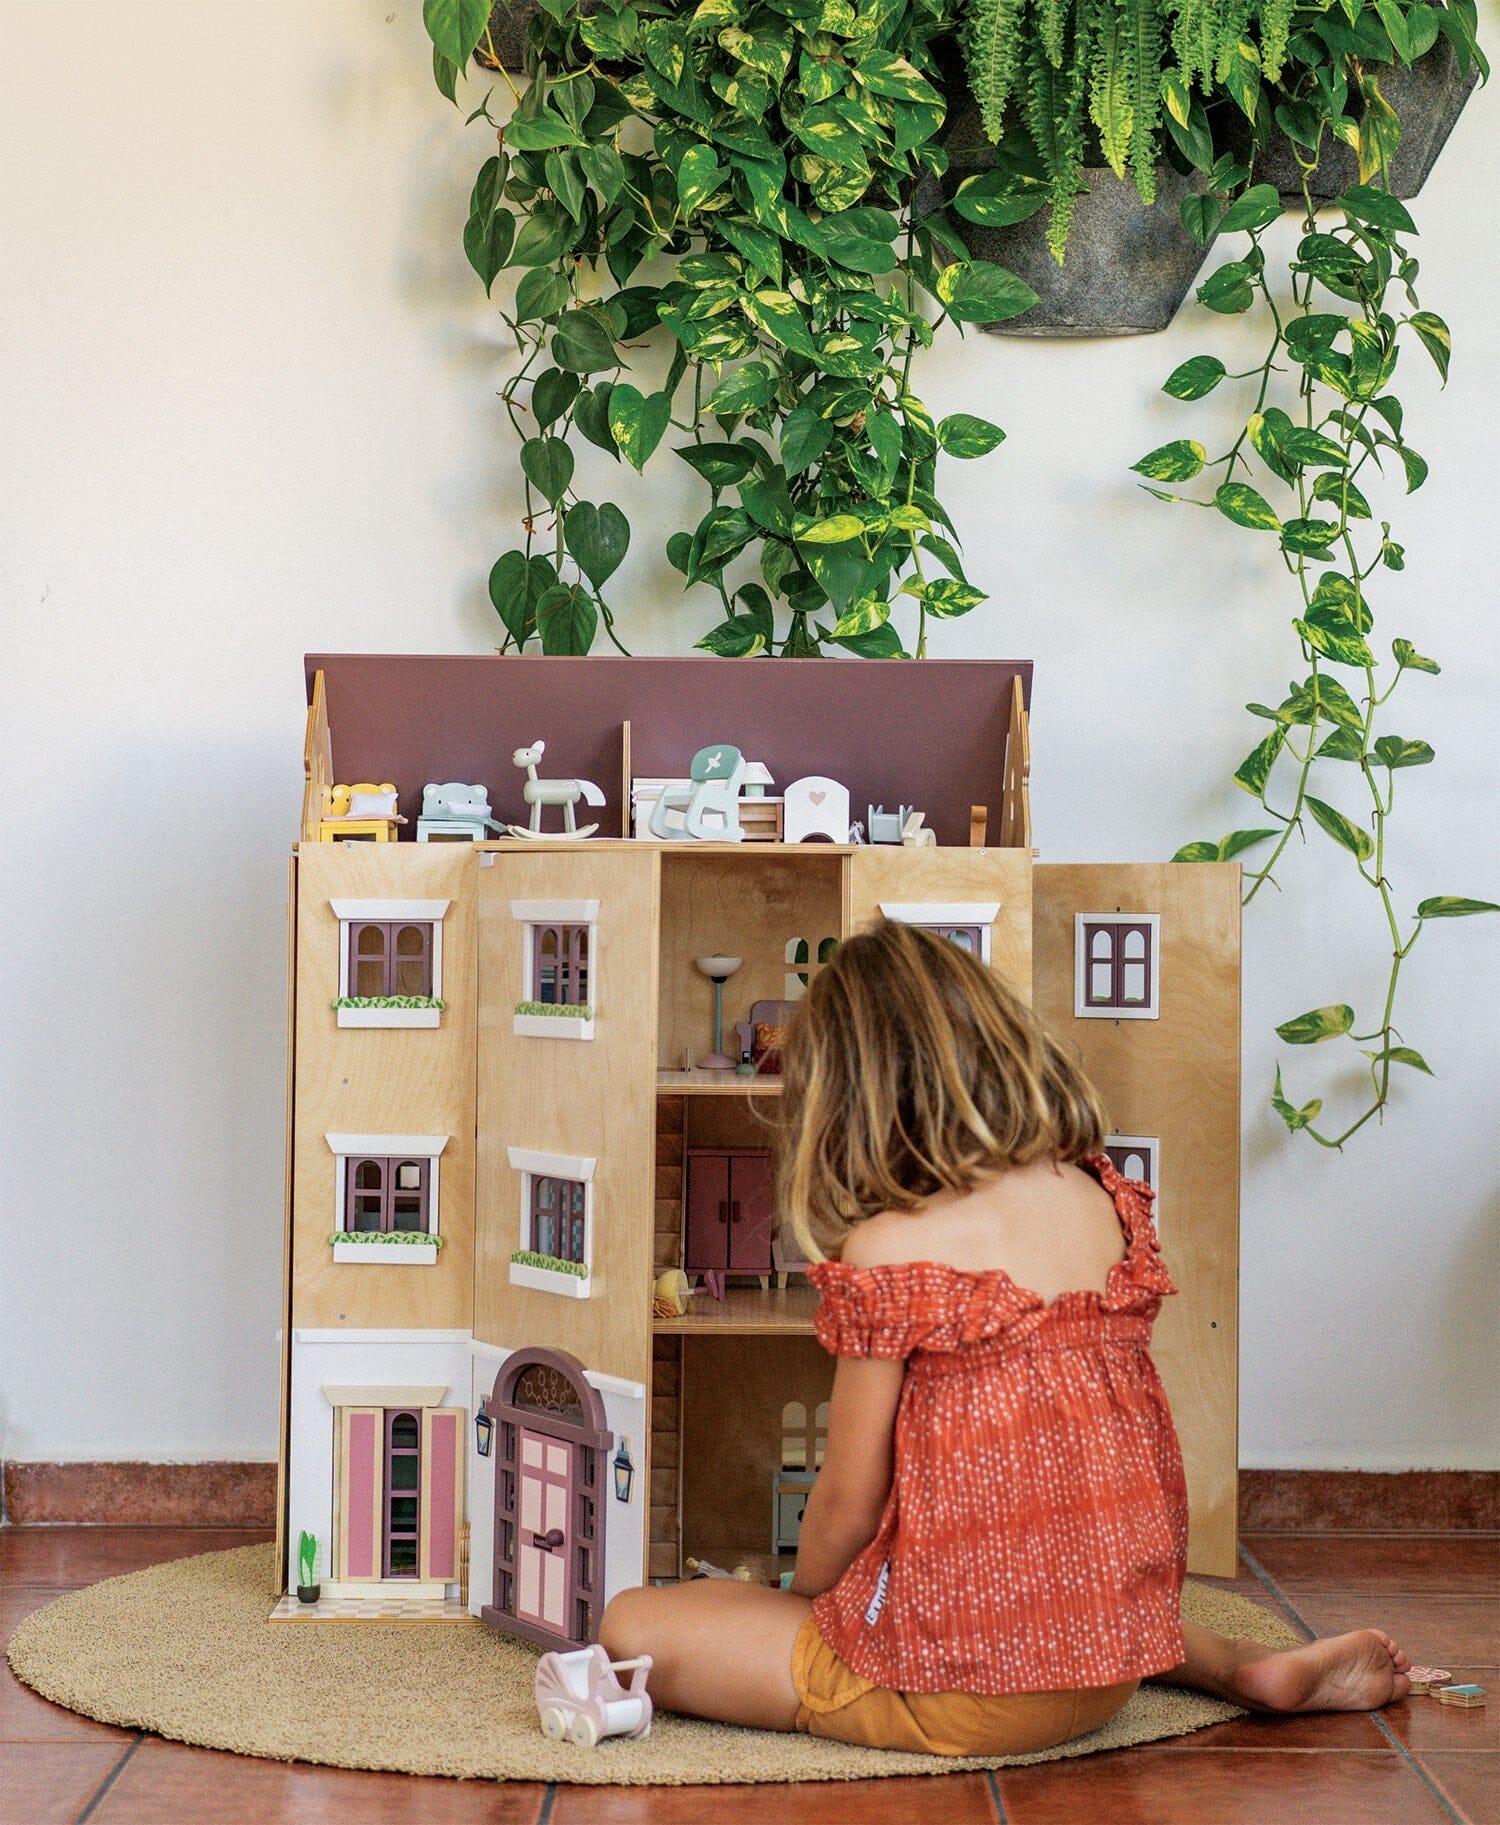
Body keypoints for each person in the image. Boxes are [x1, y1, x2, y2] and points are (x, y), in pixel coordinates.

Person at [602, 920, 1411, 1756]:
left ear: (848, 1100)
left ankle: (870, 1662)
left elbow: (847, 1505)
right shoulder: (1102, 1200)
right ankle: (1240, 1663)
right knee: (1050, 1568)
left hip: (959, 1690)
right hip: (1110, 1660)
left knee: (633, 1618)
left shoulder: (892, 1247)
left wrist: (806, 1607)